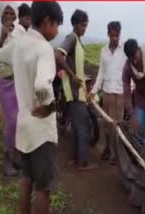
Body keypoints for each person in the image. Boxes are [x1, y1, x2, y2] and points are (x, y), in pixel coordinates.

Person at [0, 2, 63, 213]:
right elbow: (43, 85)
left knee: (26, 179)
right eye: (56, 25)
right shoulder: (44, 48)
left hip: (23, 127)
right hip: (41, 133)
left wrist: (11, 75)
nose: (57, 31)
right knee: (43, 189)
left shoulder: (19, 43)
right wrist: (50, 106)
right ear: (46, 22)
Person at [55, 9, 98, 170]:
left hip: (75, 90)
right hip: (74, 91)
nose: (84, 28)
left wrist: (77, 75)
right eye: (81, 25)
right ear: (74, 24)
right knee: (84, 126)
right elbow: (58, 55)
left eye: (86, 25)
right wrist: (72, 75)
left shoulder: (78, 41)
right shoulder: (72, 38)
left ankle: (74, 158)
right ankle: (83, 163)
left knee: (76, 125)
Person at [88, 21, 126, 165]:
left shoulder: (124, 51)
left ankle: (117, 154)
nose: (115, 38)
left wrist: (131, 91)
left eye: (118, 35)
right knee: (106, 124)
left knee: (117, 125)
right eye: (113, 35)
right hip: (107, 92)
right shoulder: (103, 51)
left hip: (120, 93)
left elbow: (128, 73)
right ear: (108, 34)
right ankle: (108, 149)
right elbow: (101, 73)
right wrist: (93, 91)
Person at [0, 2, 19, 177]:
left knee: (19, 121)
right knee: (11, 120)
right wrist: (2, 39)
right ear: (0, 14)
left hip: (18, 80)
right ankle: (6, 161)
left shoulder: (18, 33)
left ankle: (14, 156)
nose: (9, 16)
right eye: (6, 13)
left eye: (12, 13)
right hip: (3, 81)